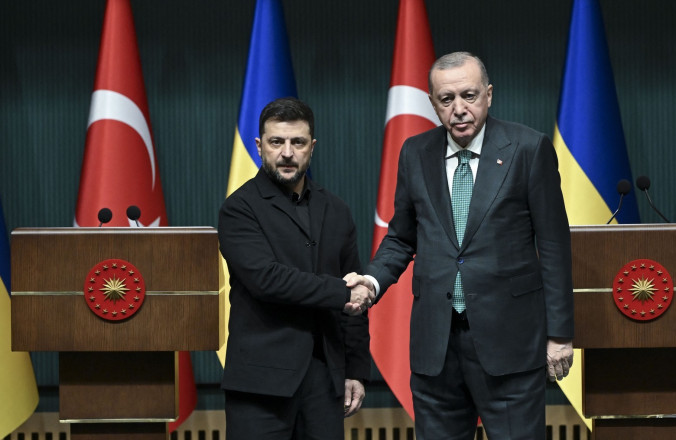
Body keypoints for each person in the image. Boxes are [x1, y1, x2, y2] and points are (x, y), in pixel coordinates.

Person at [346, 52, 574, 439]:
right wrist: (371, 282)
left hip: (511, 342)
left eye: (469, 95)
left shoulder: (527, 149)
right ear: (433, 103)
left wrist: (561, 334)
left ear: (488, 95)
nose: (460, 109)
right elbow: (402, 237)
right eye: (447, 99)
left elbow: (553, 246)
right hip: (437, 345)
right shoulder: (415, 153)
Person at [219, 97, 373, 440]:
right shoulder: (239, 209)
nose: (287, 152)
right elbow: (266, 280)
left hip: (325, 379)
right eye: (276, 142)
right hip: (261, 384)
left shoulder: (337, 209)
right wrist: (341, 292)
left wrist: (356, 370)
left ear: (312, 147)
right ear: (259, 146)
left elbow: (356, 302)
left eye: (297, 142)